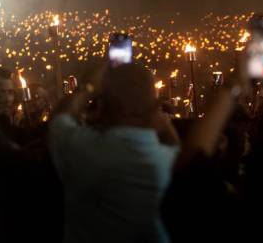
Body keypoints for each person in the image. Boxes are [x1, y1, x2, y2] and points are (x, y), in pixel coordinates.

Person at [48, 63, 180, 243]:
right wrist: (162, 121)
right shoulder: (161, 159)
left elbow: (59, 119)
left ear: (103, 105)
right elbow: (179, 152)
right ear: (151, 109)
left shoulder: (81, 146)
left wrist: (88, 87)